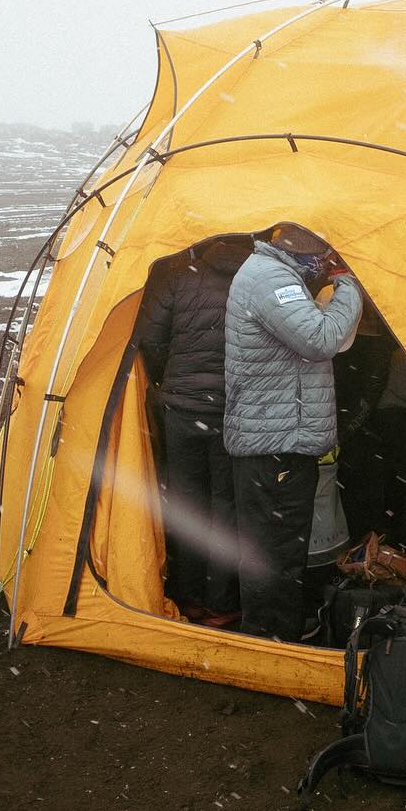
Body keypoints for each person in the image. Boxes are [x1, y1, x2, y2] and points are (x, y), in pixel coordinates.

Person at [224, 222, 362, 640]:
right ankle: (271, 642)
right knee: (275, 552)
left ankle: (274, 632)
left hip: (279, 440)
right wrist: (348, 284)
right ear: (308, 253)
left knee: (279, 549)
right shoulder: (269, 279)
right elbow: (320, 339)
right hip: (275, 446)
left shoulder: (275, 274)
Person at [135, 237, 249, 623]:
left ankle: (187, 596)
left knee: (186, 503)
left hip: (182, 409)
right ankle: (222, 601)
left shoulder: (177, 273)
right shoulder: (255, 275)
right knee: (226, 506)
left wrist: (170, 376)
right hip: (231, 411)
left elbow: (150, 337)